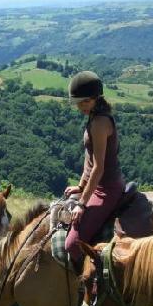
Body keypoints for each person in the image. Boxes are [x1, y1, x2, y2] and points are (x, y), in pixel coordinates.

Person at [63, 71, 125, 273]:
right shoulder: (93, 117)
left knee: (72, 244)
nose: (80, 107)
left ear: (95, 99)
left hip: (106, 188)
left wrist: (82, 203)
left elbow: (98, 167)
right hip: (96, 185)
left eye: (84, 102)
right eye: (78, 103)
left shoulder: (99, 123)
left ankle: (89, 286)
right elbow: (88, 160)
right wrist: (81, 186)